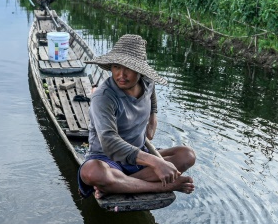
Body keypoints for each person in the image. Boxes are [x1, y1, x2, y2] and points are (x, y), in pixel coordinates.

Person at [78, 34, 196, 199]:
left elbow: (151, 96)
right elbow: (110, 142)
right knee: (92, 172)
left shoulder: (147, 82)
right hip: (107, 159)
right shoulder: (103, 97)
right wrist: (156, 162)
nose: (121, 75)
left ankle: (119, 186)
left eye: (129, 68)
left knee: (187, 155)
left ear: (140, 70)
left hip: (139, 154)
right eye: (116, 67)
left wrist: (153, 116)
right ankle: (161, 187)